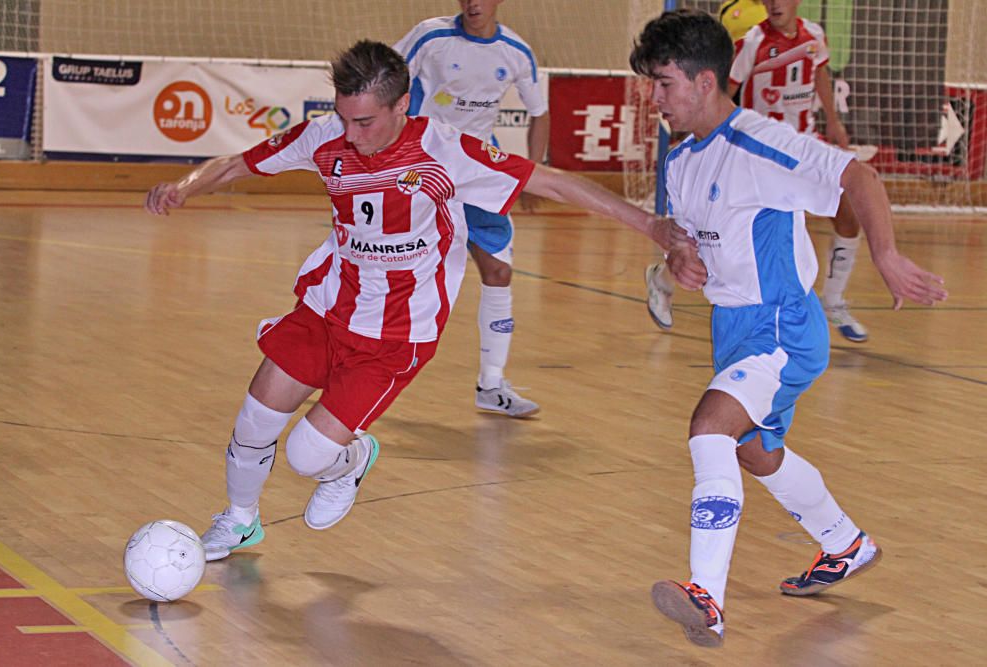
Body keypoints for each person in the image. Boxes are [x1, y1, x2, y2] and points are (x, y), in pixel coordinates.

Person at [145, 40, 686, 562]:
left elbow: (554, 184)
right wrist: (186, 186)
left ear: (403, 104)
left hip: (396, 334)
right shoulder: (325, 136)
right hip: (328, 307)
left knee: (306, 456)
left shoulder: (445, 152)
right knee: (254, 418)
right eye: (344, 118)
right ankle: (239, 519)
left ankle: (352, 459)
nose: (352, 136)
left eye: (366, 122)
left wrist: (651, 225)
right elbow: (241, 162)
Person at [629, 10, 946, 648]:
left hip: (783, 325)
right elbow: (687, 238)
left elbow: (859, 175)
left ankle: (706, 599)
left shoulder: (759, 142)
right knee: (752, 451)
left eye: (663, 83)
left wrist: (885, 257)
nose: (653, 98)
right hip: (732, 327)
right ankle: (844, 542)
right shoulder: (682, 159)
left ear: (705, 80)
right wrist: (678, 257)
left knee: (710, 427)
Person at [645, 0, 869, 343]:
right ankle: (664, 277)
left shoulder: (814, 36)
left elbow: (819, 75)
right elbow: (724, 90)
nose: (774, 3)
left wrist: (834, 123)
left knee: (848, 217)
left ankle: (834, 300)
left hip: (798, 143)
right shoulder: (752, 42)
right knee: (712, 238)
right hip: (757, 153)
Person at [393, 0, 550, 418]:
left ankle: (492, 384)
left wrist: (531, 172)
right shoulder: (430, 36)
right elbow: (385, 81)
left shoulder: (516, 52)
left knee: (498, 271)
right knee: (387, 267)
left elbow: (540, 114)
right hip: (423, 167)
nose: (472, 3)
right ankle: (335, 360)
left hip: (478, 171)